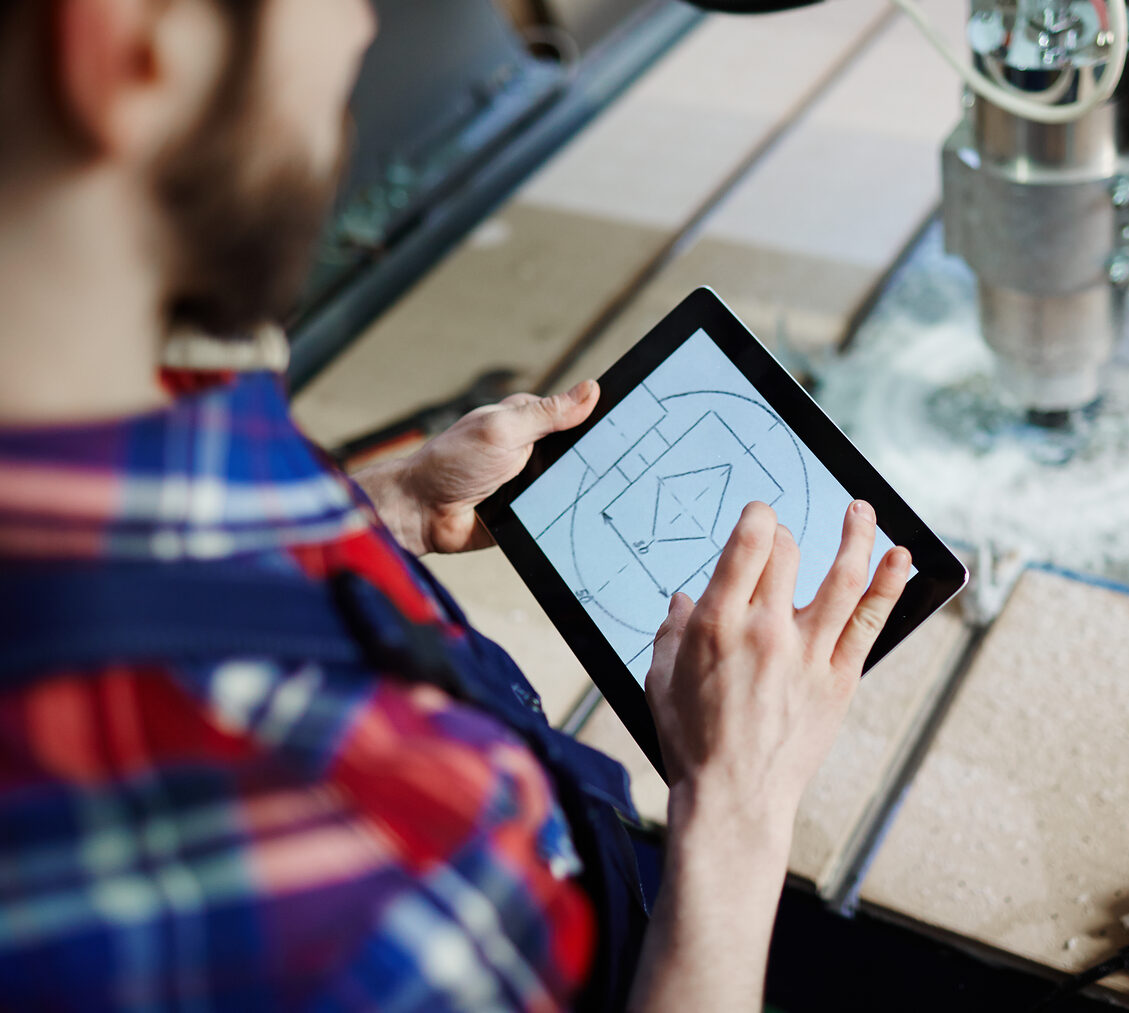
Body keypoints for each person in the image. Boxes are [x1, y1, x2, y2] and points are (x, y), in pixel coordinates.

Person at [0, 0, 912, 1009]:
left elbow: (153, 555)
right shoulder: (346, 863)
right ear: (124, 40)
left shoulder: (129, 389)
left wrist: (383, 507)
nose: (357, 28)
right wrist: (737, 803)